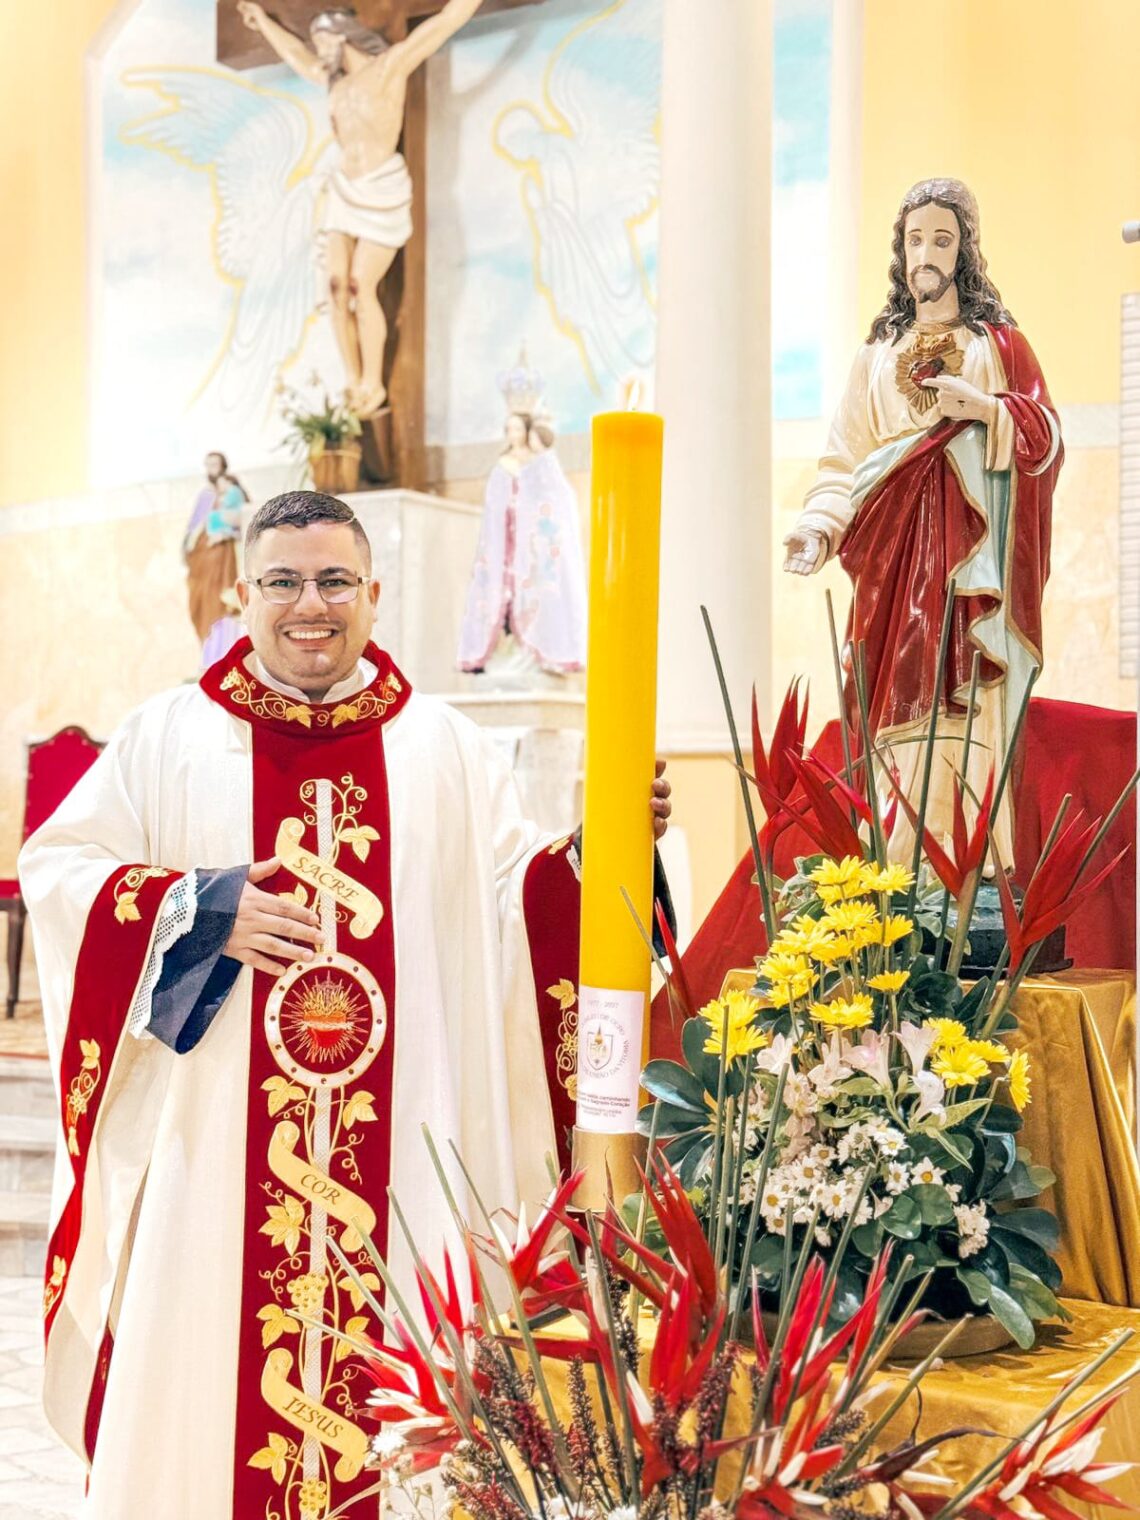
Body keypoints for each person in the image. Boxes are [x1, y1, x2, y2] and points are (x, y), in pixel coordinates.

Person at [21, 491, 670, 1519]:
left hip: (405, 1159)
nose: (308, 604)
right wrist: (197, 908)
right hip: (216, 1167)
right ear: (242, 594)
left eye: (332, 581)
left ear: (374, 593)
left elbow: (516, 911)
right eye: (281, 580)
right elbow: (58, 871)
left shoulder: (447, 749)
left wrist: (598, 854)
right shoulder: (170, 736)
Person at [782, 177, 1062, 860]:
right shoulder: (874, 358)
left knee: (966, 716)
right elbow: (844, 460)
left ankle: (966, 874)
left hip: (970, 571)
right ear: (899, 253)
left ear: (964, 248)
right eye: (915, 239)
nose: (927, 252)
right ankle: (899, 874)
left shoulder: (998, 346)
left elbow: (1045, 436)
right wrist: (818, 525)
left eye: (942, 237)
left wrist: (986, 408)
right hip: (890, 569)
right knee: (889, 717)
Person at [236, 0, 484, 418]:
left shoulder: (389, 67)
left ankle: (373, 379)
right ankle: (352, 377)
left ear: (342, 35)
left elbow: (444, 21)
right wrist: (262, 23)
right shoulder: (334, 83)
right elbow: (296, 55)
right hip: (342, 188)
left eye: (323, 40)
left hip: (380, 187)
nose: (319, 51)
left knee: (358, 285)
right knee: (335, 288)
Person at [456, 409, 588, 676]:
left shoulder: (539, 464)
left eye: (518, 429)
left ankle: (538, 651)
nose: (513, 435)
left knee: (538, 591)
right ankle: (506, 649)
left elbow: (554, 498)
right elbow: (495, 505)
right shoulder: (504, 464)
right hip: (505, 543)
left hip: (531, 545)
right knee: (501, 592)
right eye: (509, 430)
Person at [184, 450, 248, 664]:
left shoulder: (233, 492)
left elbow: (243, 520)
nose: (211, 468)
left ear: (223, 466)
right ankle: (208, 653)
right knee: (201, 600)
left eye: (215, 464)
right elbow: (194, 525)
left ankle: (221, 654)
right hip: (201, 557)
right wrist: (189, 548)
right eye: (208, 464)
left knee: (221, 600)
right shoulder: (206, 496)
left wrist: (224, 532)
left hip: (222, 555)